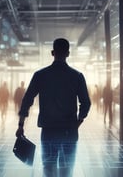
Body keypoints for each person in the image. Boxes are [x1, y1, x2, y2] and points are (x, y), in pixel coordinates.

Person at [15, 38, 91, 177]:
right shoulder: (77, 76)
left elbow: (27, 100)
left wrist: (21, 125)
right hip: (70, 131)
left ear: (52, 52)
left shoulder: (40, 75)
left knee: (48, 168)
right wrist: (77, 123)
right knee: (67, 169)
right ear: (68, 53)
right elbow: (86, 103)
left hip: (48, 131)